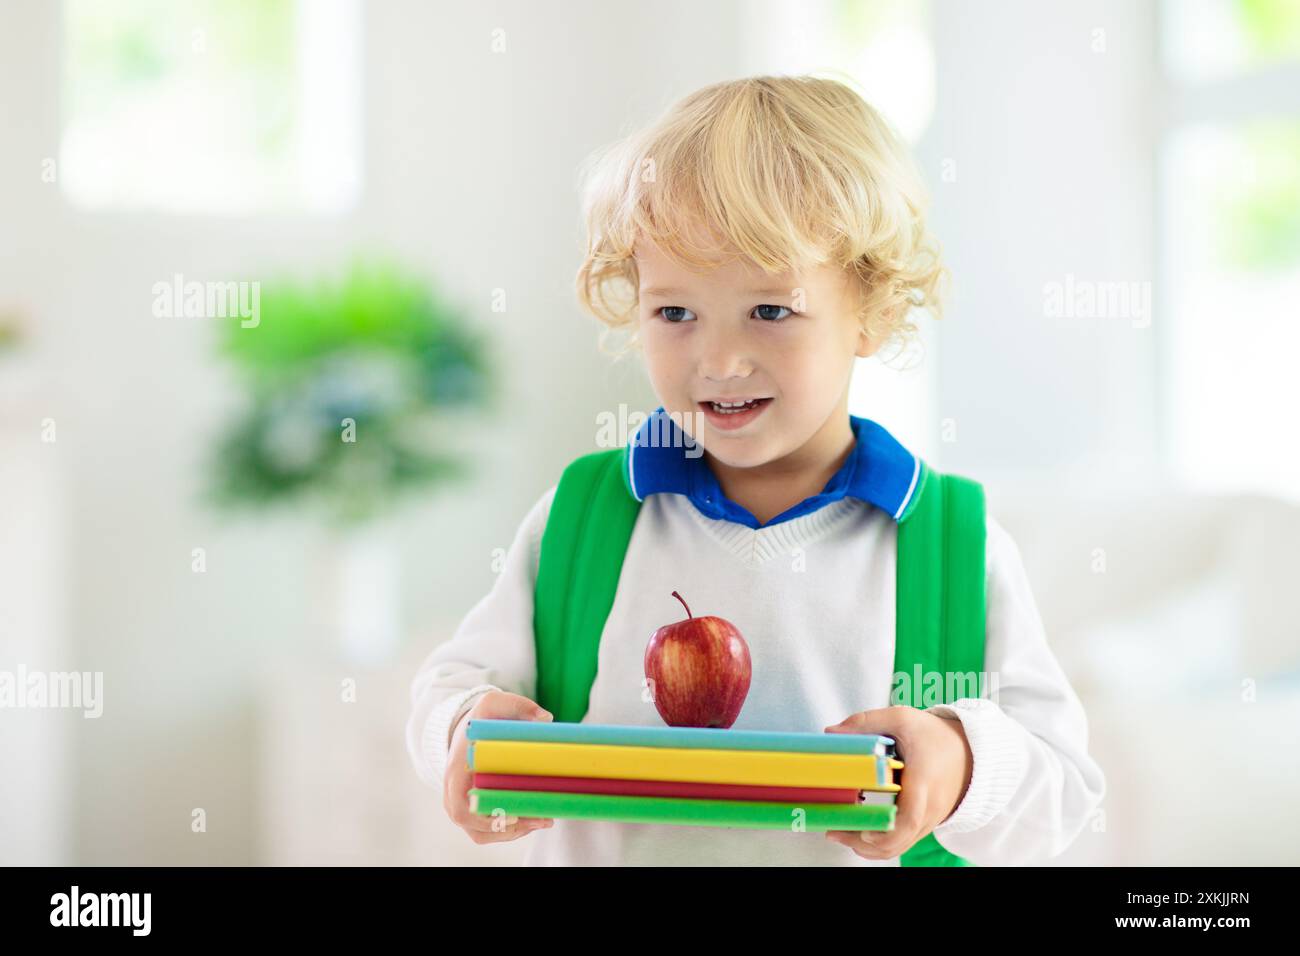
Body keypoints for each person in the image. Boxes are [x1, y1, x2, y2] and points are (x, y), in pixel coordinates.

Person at [406, 74, 1105, 865]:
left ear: (872, 311)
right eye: (675, 312)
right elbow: (447, 689)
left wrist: (962, 761)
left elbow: (1063, 794)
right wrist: (464, 731)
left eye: (771, 310)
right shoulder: (583, 518)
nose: (720, 359)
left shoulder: (951, 546)